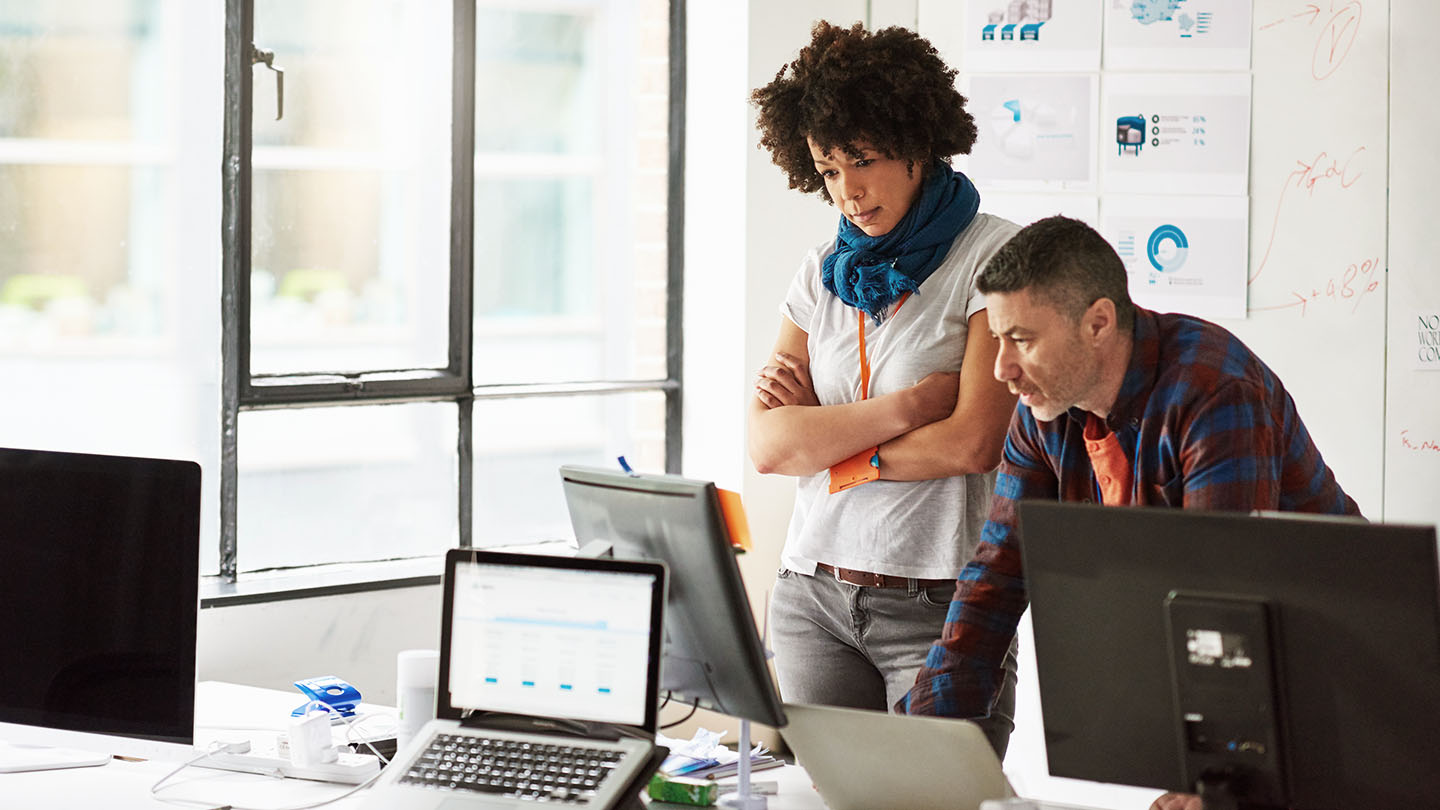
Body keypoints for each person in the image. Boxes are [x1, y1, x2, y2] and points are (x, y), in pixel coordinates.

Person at [896, 215, 1360, 808]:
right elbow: (997, 573)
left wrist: (1209, 775)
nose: (1001, 370)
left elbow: (1226, 597)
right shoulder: (1044, 411)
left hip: (1329, 678)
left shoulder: (1211, 389)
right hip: (1234, 672)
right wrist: (927, 740)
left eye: (1022, 340)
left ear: (1097, 323)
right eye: (998, 341)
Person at [747, 20, 1022, 756]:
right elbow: (772, 447)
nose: (848, 191)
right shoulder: (823, 271)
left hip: (936, 604)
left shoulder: (992, 256)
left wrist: (840, 451)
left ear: (917, 142)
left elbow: (972, 440)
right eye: (828, 170)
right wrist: (907, 407)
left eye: (863, 161)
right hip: (813, 596)